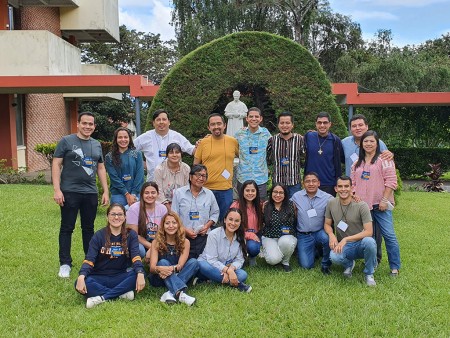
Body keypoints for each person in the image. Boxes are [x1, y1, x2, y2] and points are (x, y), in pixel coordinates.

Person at [52, 112, 109, 279]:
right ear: (78, 124)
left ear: (94, 126)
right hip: (69, 191)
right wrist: (57, 190)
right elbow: (56, 164)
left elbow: (100, 168)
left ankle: (89, 261)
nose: (87, 127)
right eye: (84, 123)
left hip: (90, 193)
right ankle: (65, 263)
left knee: (88, 228)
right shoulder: (66, 141)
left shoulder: (97, 144)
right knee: (67, 228)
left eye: (91, 124)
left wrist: (105, 190)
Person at [342, 113, 393, 264]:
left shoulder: (378, 142)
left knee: (374, 228)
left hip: (373, 194)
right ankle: (355, 254)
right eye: (354, 126)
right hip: (353, 192)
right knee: (355, 224)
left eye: (360, 125)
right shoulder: (344, 143)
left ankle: (375, 257)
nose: (357, 128)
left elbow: (387, 159)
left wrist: (391, 153)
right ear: (350, 128)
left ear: (367, 126)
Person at [75, 203, 146, 308]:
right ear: (107, 217)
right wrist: (81, 276)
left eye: (120, 214)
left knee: (139, 275)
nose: (116, 217)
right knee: (81, 282)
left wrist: (140, 273)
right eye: (113, 214)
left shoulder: (131, 235)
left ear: (125, 217)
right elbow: (89, 259)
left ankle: (102, 298)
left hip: (120, 276)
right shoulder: (98, 236)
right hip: (99, 276)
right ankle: (121, 294)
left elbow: (136, 256)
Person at [351, 131, 401, 276]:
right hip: (364, 207)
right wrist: (354, 195)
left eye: (372, 141)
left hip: (381, 206)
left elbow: (391, 182)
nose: (368, 144)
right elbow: (352, 183)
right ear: (361, 143)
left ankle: (395, 267)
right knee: (369, 237)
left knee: (389, 235)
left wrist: (384, 200)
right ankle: (371, 263)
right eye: (366, 141)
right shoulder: (356, 163)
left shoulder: (384, 160)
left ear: (377, 143)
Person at [324, 176, 377, 286]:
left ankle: (369, 274)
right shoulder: (331, 203)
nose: (343, 189)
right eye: (340, 186)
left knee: (370, 242)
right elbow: (327, 224)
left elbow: (369, 232)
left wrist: (345, 239)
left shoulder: (362, 205)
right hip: (345, 246)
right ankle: (349, 264)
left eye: (346, 186)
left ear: (352, 188)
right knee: (333, 256)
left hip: (360, 243)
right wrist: (331, 235)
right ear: (335, 189)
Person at [194, 113, 239, 223]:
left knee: (227, 222)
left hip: (225, 189)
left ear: (225, 125)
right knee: (206, 222)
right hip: (206, 189)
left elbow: (243, 157)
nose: (216, 127)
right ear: (208, 127)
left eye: (219, 124)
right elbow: (195, 166)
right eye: (213, 124)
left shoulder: (233, 141)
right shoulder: (203, 143)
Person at [149, 212, 199, 306]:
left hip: (177, 274)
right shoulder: (156, 242)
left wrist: (171, 269)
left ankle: (169, 293)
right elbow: (152, 268)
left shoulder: (185, 242)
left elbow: (180, 266)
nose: (171, 226)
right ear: (163, 226)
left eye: (174, 223)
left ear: (178, 225)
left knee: (194, 262)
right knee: (163, 262)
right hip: (160, 277)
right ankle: (180, 293)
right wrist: (160, 269)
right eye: (167, 223)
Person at [197, 208, 252, 292]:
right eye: (230, 219)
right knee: (202, 265)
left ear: (240, 223)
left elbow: (240, 260)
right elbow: (211, 260)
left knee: (243, 274)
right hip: (209, 264)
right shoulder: (214, 234)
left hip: (226, 266)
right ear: (225, 220)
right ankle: (238, 284)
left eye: (237, 221)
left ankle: (212, 280)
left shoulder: (241, 237)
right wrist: (227, 270)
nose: (233, 223)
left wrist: (231, 269)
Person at [172, 164, 220, 259]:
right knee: (186, 261)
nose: (201, 178)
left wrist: (207, 226)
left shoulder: (209, 194)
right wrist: (185, 230)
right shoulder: (179, 193)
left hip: (203, 237)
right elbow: (174, 215)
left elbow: (215, 213)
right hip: (183, 236)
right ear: (190, 177)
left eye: (204, 176)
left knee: (202, 262)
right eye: (198, 175)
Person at [134, 109, 195, 181]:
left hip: (174, 182)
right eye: (158, 120)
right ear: (153, 123)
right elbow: (130, 150)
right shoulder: (146, 137)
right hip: (153, 182)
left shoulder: (177, 136)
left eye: (164, 119)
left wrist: (203, 143)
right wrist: (141, 164)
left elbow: (192, 150)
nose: (161, 122)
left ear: (169, 122)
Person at [291, 172, 333, 274]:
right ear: (303, 184)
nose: (311, 184)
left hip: (319, 232)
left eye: (314, 181)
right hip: (303, 235)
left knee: (327, 239)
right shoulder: (296, 196)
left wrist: (353, 197)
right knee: (306, 266)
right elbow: (284, 205)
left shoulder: (327, 198)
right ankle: (315, 251)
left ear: (318, 183)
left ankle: (325, 263)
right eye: (307, 181)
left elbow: (342, 202)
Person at [234, 107, 272, 200]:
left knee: (261, 206)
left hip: (260, 178)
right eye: (251, 116)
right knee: (242, 207)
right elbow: (227, 143)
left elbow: (278, 140)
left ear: (261, 118)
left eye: (256, 116)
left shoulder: (266, 133)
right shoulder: (239, 134)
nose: (254, 119)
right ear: (246, 118)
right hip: (243, 177)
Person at [303, 112, 344, 196]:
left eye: (325, 123)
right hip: (310, 182)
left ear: (330, 124)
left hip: (329, 183)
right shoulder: (309, 136)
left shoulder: (335, 140)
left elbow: (342, 159)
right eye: (319, 122)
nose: (322, 125)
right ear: (316, 124)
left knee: (327, 209)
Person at [126, 182, 168, 261]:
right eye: (146, 193)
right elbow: (133, 235)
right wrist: (152, 247)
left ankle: (156, 266)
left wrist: (156, 245)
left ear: (158, 194)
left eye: (153, 193)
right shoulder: (134, 209)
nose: (150, 196)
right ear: (142, 194)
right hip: (139, 240)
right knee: (140, 250)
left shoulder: (162, 208)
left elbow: (164, 232)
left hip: (157, 239)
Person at [266, 111, 304, 199]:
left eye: (287, 123)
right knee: (278, 209)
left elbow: (305, 157)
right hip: (278, 183)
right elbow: (265, 158)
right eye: (282, 123)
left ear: (292, 125)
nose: (284, 125)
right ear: (278, 125)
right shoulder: (272, 140)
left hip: (294, 183)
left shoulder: (300, 139)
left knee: (294, 208)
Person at [261, 184, 297, 272]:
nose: (278, 195)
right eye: (275, 192)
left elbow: (296, 221)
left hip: (287, 236)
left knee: (286, 242)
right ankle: (274, 254)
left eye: (281, 192)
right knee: (273, 260)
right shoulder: (265, 206)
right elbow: (262, 223)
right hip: (269, 237)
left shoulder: (292, 205)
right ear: (271, 193)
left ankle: (285, 262)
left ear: (285, 194)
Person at [105, 127, 144, 208]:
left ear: (129, 139)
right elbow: (114, 178)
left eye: (126, 137)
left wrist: (133, 194)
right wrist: (126, 194)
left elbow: (140, 175)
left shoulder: (137, 154)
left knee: (135, 219)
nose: (123, 140)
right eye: (120, 137)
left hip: (135, 194)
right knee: (117, 219)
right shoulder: (109, 157)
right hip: (118, 194)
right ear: (116, 139)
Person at [230, 180, 263, 266]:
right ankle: (241, 255)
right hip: (238, 235)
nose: (250, 193)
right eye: (247, 190)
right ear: (242, 192)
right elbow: (230, 226)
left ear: (256, 192)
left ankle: (252, 256)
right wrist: (248, 234)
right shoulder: (235, 205)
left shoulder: (259, 205)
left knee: (253, 248)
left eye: (253, 191)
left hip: (255, 234)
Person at [154, 143, 190, 211]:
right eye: (171, 153)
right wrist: (169, 208)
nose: (174, 155)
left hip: (181, 203)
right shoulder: (159, 169)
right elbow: (159, 191)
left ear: (181, 154)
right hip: (163, 204)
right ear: (167, 155)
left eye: (177, 152)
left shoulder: (186, 168)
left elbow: (186, 189)